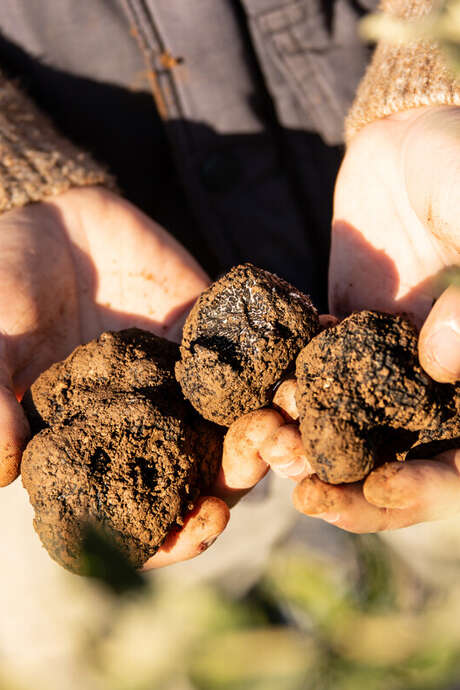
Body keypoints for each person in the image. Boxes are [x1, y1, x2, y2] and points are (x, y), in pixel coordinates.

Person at [0, 0, 458, 571]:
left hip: (395, 228)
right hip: (96, 241)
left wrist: (436, 71)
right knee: (153, 635)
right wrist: (13, 174)